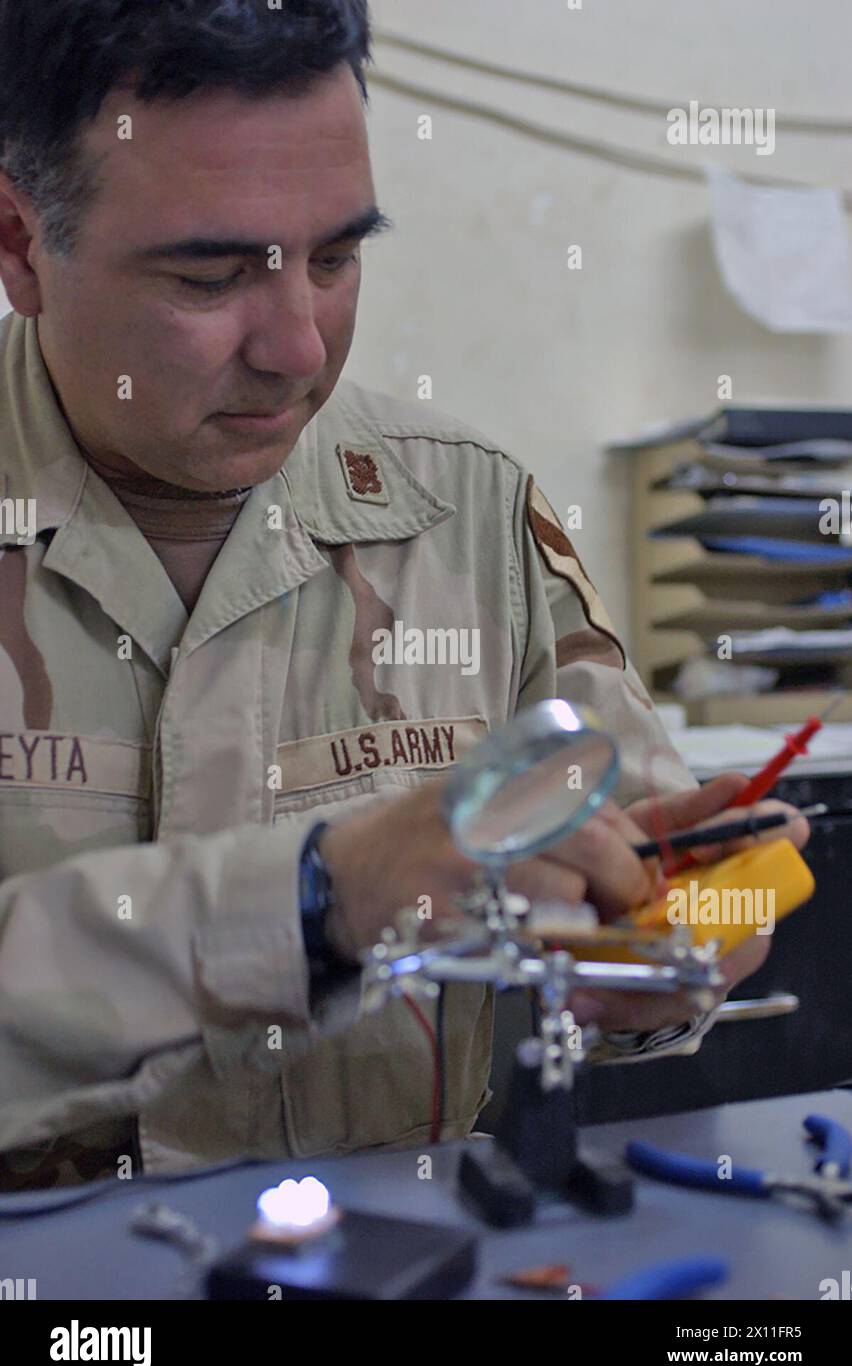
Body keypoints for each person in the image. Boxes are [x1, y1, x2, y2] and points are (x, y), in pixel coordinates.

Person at [0, 0, 807, 1188]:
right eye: (213, 274)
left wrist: (661, 950)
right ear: (19, 242)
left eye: (336, 258)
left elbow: (649, 941)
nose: (300, 348)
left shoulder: (468, 518)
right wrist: (318, 898)